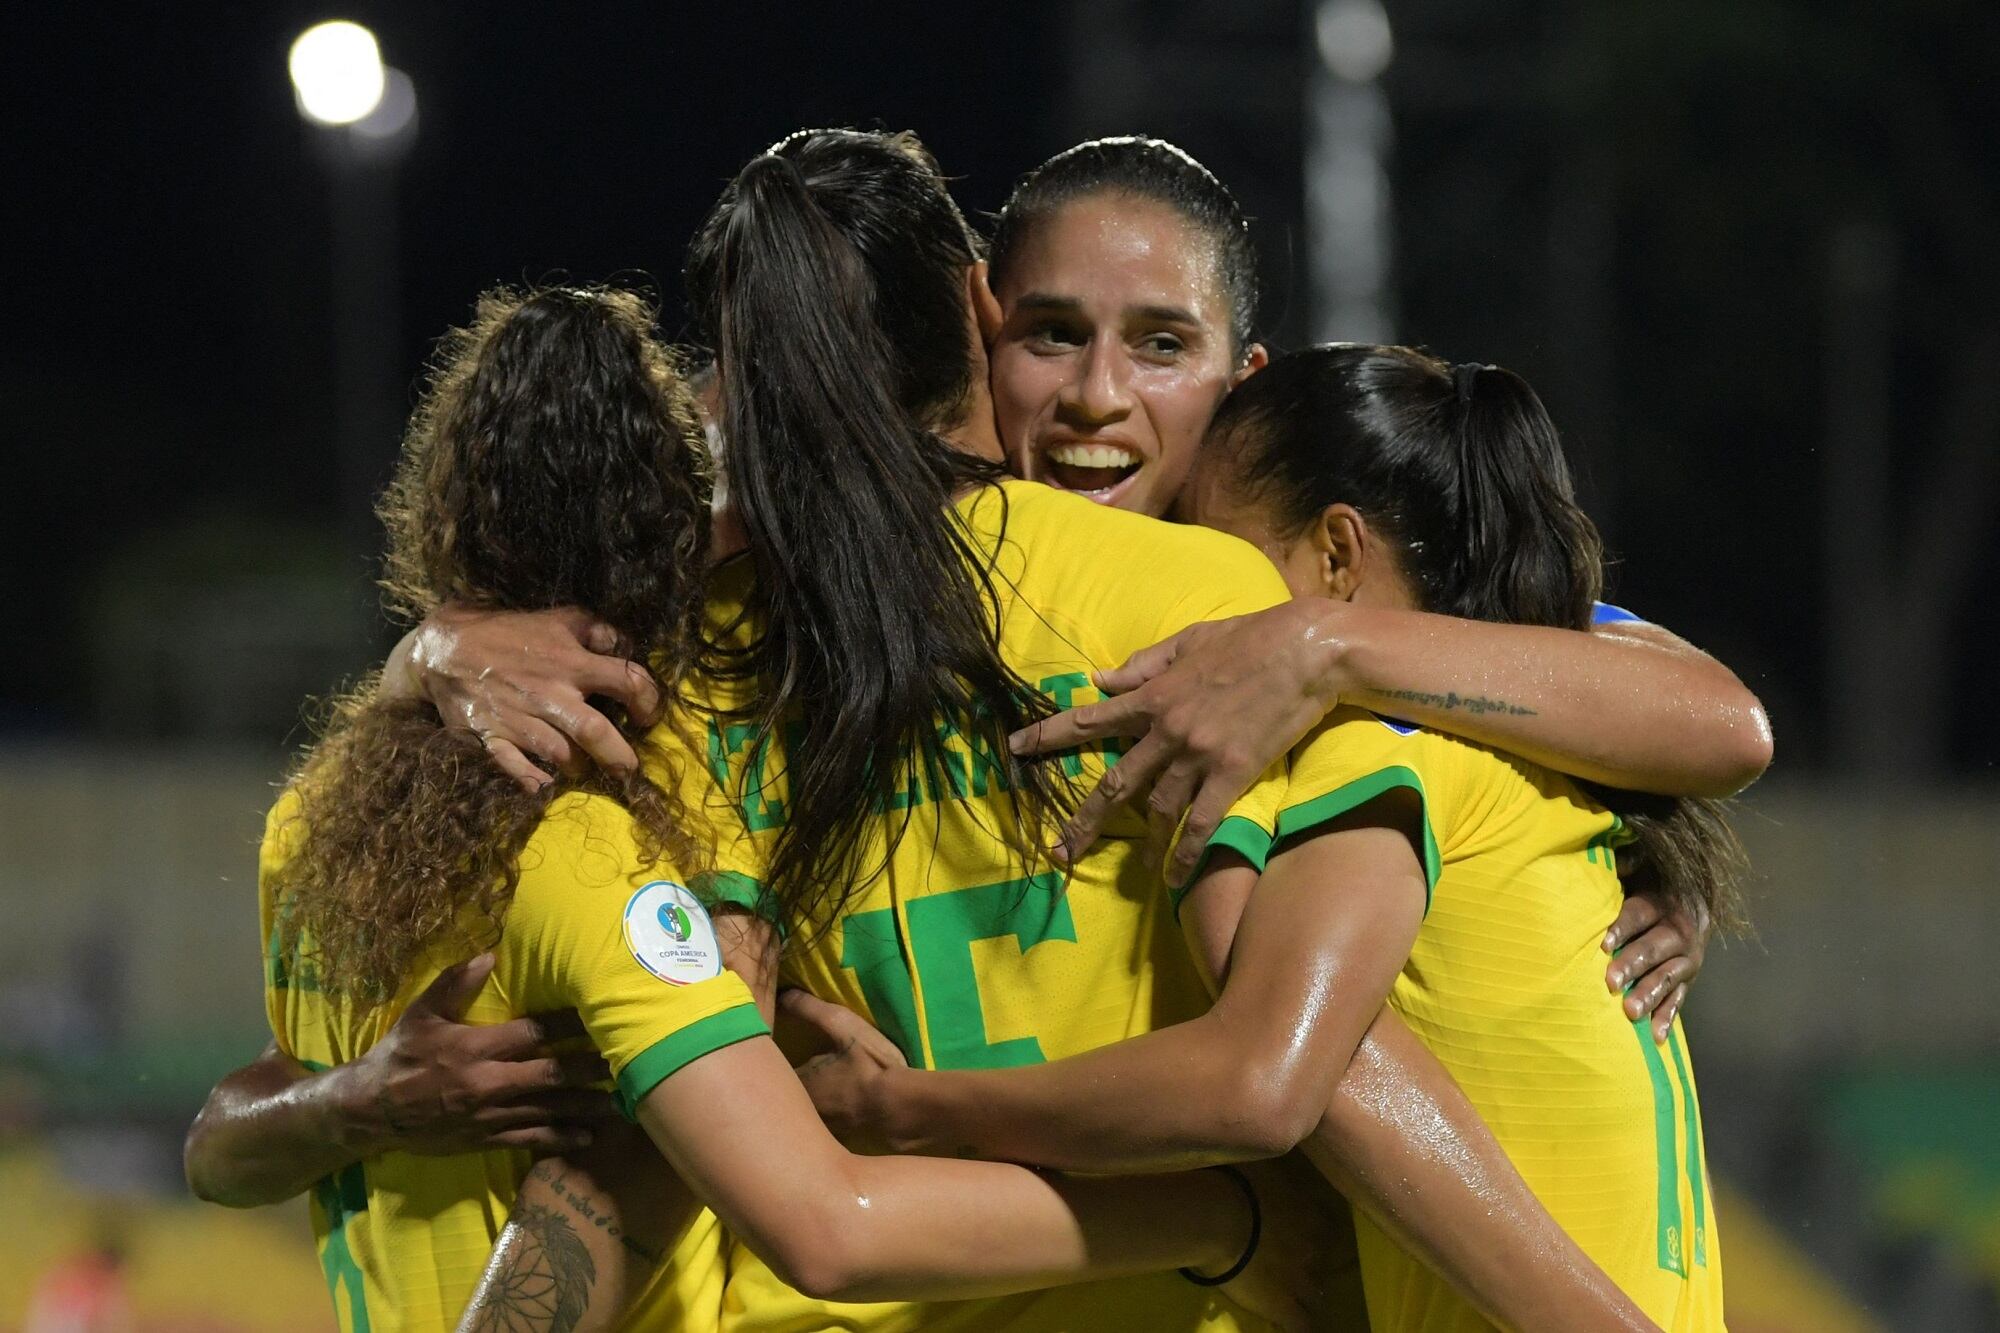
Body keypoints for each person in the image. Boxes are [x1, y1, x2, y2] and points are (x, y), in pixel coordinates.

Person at [240, 282, 1331, 1333]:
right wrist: (1219, 1216)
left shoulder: (308, 820)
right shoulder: (603, 855)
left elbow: (223, 1138)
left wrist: (347, 1104)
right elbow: (826, 1226)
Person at [793, 344, 1742, 1330]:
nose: (1195, 585)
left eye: (1215, 552)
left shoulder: (1390, 751)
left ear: (1336, 555)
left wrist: (915, 1107)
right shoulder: (1520, 736)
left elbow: (1259, 1075)